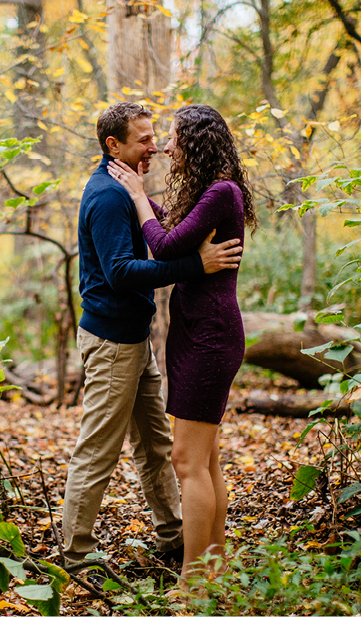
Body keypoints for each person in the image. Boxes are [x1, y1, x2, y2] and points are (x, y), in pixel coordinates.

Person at [61, 102, 243, 567]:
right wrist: (195, 265)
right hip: (112, 341)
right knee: (99, 449)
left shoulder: (130, 190)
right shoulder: (107, 195)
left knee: (159, 447)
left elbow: (167, 230)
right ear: (113, 145)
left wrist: (147, 200)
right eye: (143, 140)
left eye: (158, 137)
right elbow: (122, 271)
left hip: (137, 339)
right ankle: (77, 553)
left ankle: (175, 537)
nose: (154, 148)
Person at [107, 104, 256, 584]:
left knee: (186, 460)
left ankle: (194, 583)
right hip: (199, 332)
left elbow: (167, 247)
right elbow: (178, 231)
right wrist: (147, 199)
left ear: (196, 142)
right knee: (204, 457)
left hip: (211, 335)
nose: (167, 147)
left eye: (173, 138)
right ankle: (215, 569)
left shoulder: (220, 191)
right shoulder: (216, 192)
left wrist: (136, 196)